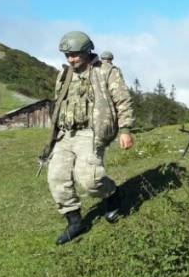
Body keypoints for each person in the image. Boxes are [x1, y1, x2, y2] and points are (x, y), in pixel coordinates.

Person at [47, 31, 135, 245]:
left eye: (75, 55)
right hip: (65, 134)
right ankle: (75, 221)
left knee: (90, 179)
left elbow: (123, 101)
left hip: (91, 132)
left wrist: (125, 130)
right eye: (67, 55)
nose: (70, 59)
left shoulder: (106, 72)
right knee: (57, 178)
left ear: (87, 51)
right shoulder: (65, 74)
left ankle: (112, 194)